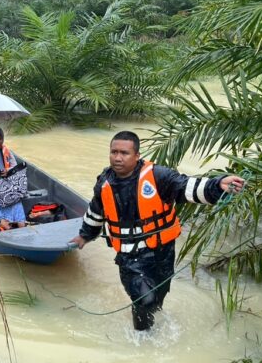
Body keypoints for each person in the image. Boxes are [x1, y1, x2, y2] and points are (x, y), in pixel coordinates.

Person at [70, 131, 245, 331]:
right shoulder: (104, 183)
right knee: (144, 299)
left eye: (124, 153)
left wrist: (218, 185)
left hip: (163, 252)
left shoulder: (159, 176)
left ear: (136, 156)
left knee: (157, 298)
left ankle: (151, 322)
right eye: (114, 152)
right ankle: (142, 339)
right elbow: (96, 212)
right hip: (130, 256)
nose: (117, 158)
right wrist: (85, 235)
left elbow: (187, 187)